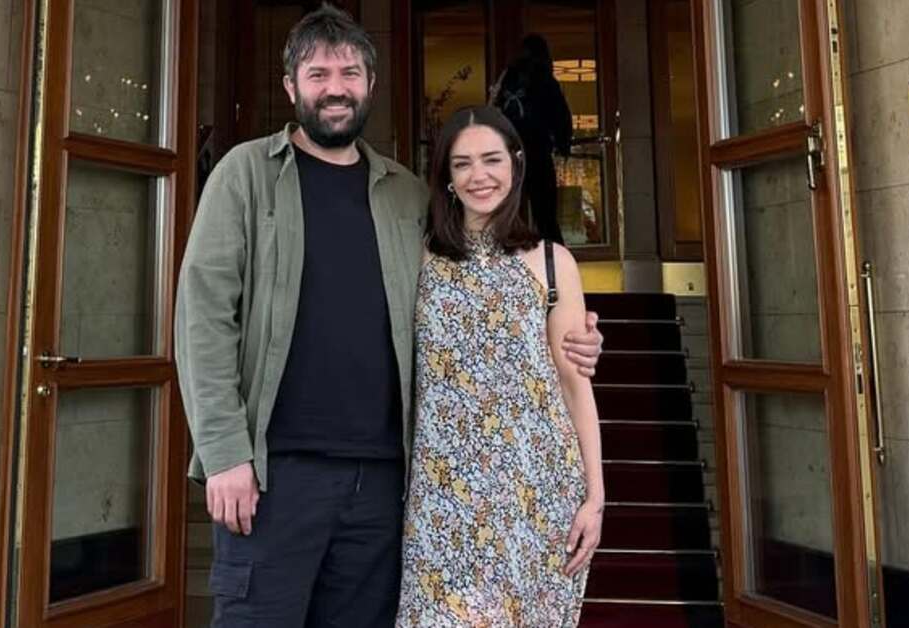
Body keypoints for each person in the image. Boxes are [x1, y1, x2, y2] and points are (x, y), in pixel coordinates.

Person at [174, 5, 603, 627]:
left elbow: (479, 297)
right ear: (291, 86)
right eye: (318, 74)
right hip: (275, 474)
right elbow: (204, 319)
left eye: (349, 72)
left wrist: (572, 332)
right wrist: (223, 454)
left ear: (370, 84)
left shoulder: (404, 194)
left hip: (382, 482)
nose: (336, 88)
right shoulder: (245, 175)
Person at [395, 106, 604, 626]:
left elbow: (574, 382)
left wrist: (595, 496)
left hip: (538, 489)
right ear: (446, 176)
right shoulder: (418, 259)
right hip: (442, 496)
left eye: (491, 159)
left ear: (516, 163)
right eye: (462, 163)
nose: (478, 175)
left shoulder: (553, 262)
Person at [491, 34, 574, 245]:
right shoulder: (545, 79)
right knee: (545, 214)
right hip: (537, 150)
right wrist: (563, 144)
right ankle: (552, 255)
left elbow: (495, 107)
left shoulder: (509, 77)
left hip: (509, 150)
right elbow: (560, 115)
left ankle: (509, 252)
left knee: (508, 210)